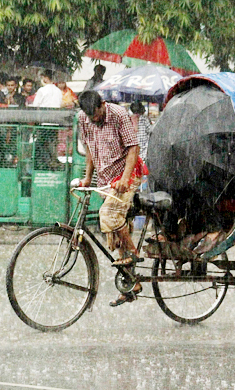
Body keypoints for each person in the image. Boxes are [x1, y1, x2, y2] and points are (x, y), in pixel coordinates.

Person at [78, 91, 143, 307]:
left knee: (108, 215)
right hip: (106, 178)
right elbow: (89, 148)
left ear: (102, 105)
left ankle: (133, 253)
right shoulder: (83, 118)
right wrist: (88, 177)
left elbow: (133, 147)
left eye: (96, 115)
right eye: (90, 117)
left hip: (127, 174)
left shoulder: (118, 114)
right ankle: (131, 284)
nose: (94, 120)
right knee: (114, 235)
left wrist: (125, 178)